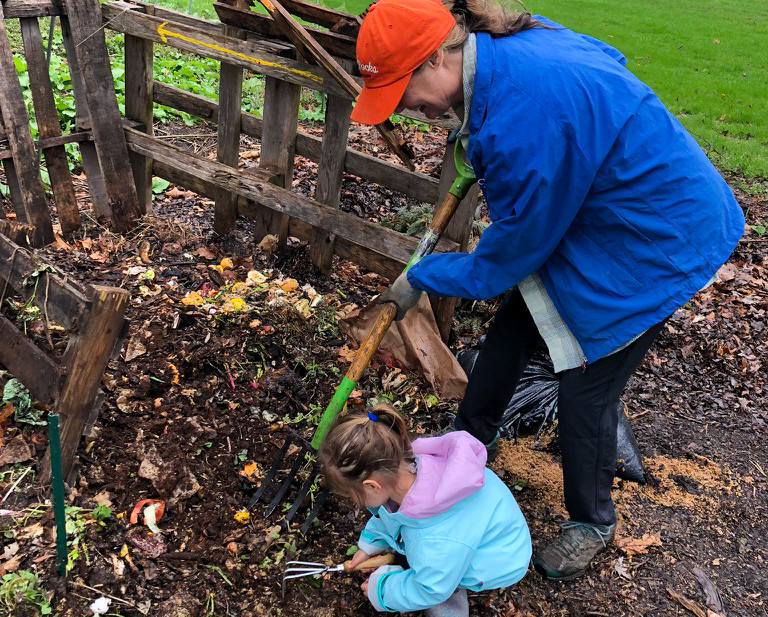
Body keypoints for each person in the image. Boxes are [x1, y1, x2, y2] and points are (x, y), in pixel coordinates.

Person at [350, 0, 745, 581]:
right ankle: (465, 447)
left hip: (656, 240)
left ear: (437, 55)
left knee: (586, 385)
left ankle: (592, 522)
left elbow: (500, 265)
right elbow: (610, 63)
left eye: (404, 91)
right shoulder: (504, 51)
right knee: (511, 334)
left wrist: (420, 277)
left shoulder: (522, 117)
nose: (406, 108)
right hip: (600, 216)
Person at [318, 403, 532, 616]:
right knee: (430, 559)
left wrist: (382, 589)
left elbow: (430, 589)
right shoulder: (410, 467)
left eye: (354, 496)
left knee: (438, 591)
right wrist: (371, 545)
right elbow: (392, 512)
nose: (357, 503)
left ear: (373, 486)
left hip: (500, 558)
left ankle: (455, 597)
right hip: (488, 528)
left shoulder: (435, 539)